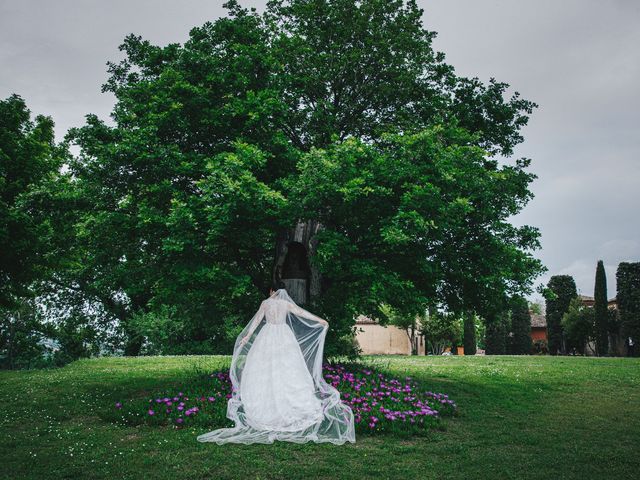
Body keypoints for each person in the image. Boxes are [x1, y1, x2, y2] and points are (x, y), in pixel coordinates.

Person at [196, 282, 356, 445]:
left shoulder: (265, 303)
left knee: (265, 370)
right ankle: (289, 411)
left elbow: (257, 321)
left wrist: (247, 336)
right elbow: (301, 313)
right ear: (282, 291)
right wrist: (320, 320)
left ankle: (266, 412)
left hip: (267, 336)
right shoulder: (286, 304)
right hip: (284, 336)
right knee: (287, 370)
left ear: (271, 290)